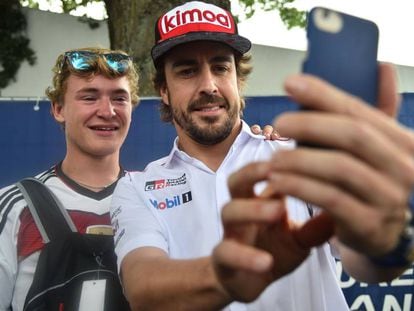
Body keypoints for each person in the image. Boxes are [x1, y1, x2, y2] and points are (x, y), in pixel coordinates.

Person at [110, 1, 414, 310]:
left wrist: (386, 234)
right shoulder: (137, 188)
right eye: (187, 71)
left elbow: (364, 261)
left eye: (220, 67)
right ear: (164, 89)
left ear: (238, 79)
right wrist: (224, 277)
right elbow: (143, 289)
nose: (209, 85)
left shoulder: (294, 157)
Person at [0, 47, 140, 310]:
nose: (107, 111)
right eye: (89, 97)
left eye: (119, 98)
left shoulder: (154, 197)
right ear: (58, 109)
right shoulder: (16, 206)